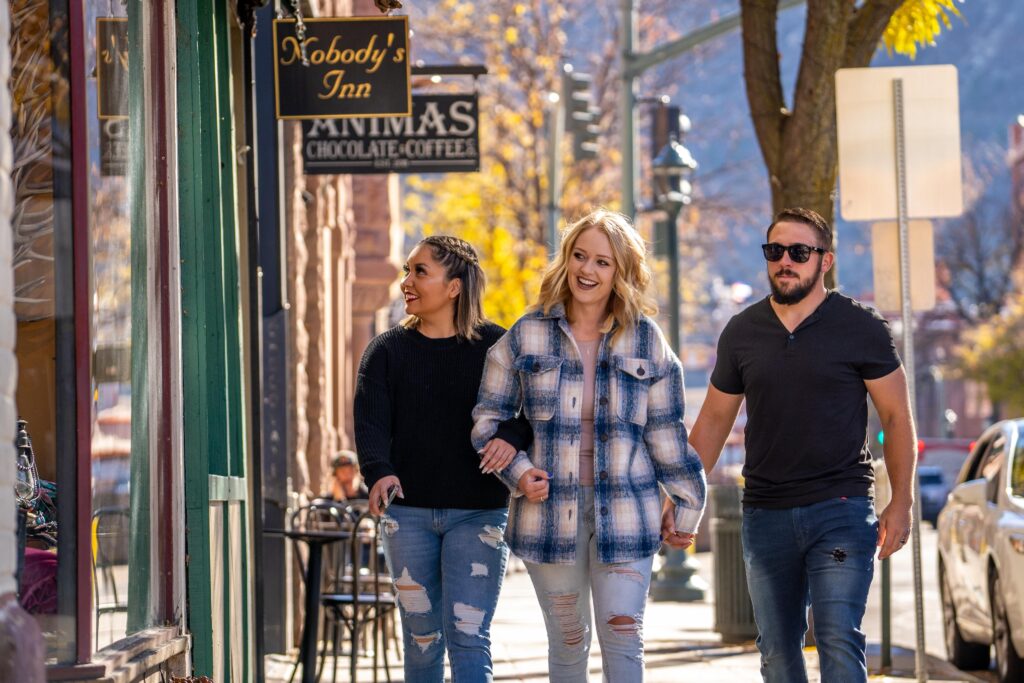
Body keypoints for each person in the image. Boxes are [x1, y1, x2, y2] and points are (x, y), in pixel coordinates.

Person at [662, 207, 916, 682]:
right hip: (765, 513)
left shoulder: (861, 327)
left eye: (799, 252)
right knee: (777, 652)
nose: (785, 261)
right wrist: (682, 497)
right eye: (774, 251)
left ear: (825, 261)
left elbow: (897, 417)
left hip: (841, 509)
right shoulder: (743, 331)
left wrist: (901, 501)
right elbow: (715, 420)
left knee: (839, 637)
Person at [472, 209, 707, 681]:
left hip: (628, 512)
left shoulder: (646, 341)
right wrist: (517, 472)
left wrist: (686, 509)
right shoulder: (528, 333)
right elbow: (487, 419)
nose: (587, 270)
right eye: (580, 256)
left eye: (603, 261)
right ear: (566, 261)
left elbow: (666, 434)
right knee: (568, 642)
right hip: (546, 516)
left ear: (621, 271)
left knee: (623, 638)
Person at [354, 235, 532, 683]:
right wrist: (379, 472)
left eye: (419, 272)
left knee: (469, 635)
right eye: (406, 272)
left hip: (479, 513)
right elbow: (370, 421)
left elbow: (534, 406)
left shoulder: (498, 346)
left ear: (454, 286)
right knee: (421, 639)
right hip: (407, 514)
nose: (406, 282)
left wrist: (511, 435)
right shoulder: (386, 350)